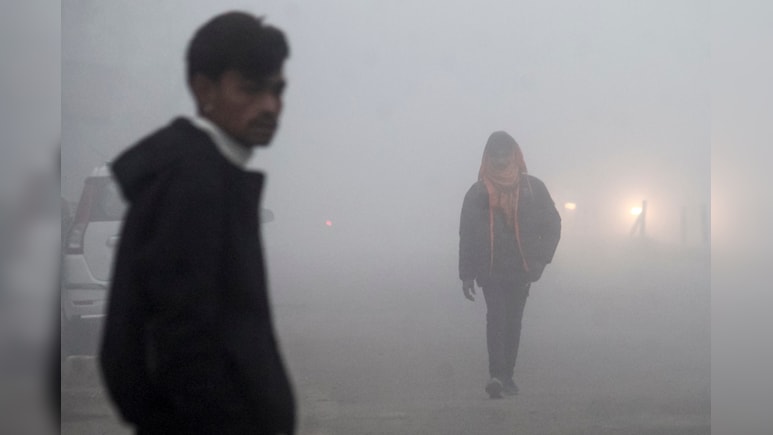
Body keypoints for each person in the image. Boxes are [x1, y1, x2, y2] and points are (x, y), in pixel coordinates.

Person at [99, 12, 294, 434]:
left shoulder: (196, 171)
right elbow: (182, 346)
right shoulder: (196, 184)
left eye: (277, 91)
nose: (270, 106)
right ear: (203, 89)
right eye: (250, 88)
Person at [459, 131, 561, 399]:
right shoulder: (477, 192)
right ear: (488, 157)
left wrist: (540, 260)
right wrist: (466, 275)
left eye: (506, 154)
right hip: (490, 268)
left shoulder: (533, 189)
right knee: (497, 317)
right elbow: (466, 235)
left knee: (513, 320)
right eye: (496, 155)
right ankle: (496, 375)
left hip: (522, 267)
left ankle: (507, 376)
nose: (502, 161)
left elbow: (553, 225)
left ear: (515, 155)